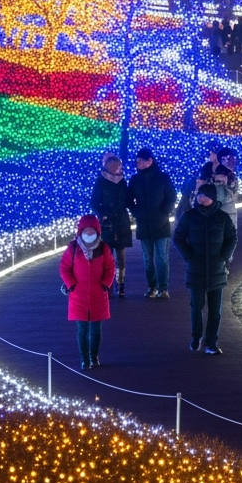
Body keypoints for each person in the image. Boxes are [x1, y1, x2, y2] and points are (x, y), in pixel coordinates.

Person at [174, 183, 237, 355]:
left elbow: (232, 237)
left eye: (205, 196)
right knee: (196, 306)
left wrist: (224, 256)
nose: (201, 199)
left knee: (215, 310)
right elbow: (178, 237)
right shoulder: (189, 216)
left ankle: (211, 342)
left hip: (217, 268)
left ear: (213, 199)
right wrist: (188, 255)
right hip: (196, 268)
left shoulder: (222, 218)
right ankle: (196, 337)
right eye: (200, 195)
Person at [58, 214, 116, 369]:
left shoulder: (104, 248)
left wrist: (105, 284)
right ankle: (84, 359)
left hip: (98, 295)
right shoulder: (73, 247)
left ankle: (94, 356)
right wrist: (71, 285)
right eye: (86, 231)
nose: (89, 234)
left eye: (92, 231)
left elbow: (110, 268)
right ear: (81, 231)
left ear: (97, 231)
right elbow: (64, 268)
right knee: (82, 330)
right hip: (78, 296)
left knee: (96, 330)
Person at [127, 147, 175, 299]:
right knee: (148, 259)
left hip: (160, 223)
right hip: (144, 224)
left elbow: (171, 196)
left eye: (141, 161)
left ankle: (163, 287)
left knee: (161, 258)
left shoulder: (163, 178)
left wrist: (163, 212)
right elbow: (129, 199)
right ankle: (152, 287)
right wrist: (137, 213)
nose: (138, 164)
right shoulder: (135, 180)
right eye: (137, 162)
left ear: (150, 161)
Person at [89, 152, 132, 296]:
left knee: (120, 257)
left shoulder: (122, 181)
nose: (118, 169)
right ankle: (108, 285)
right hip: (108, 222)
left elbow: (128, 200)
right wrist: (104, 213)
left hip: (121, 222)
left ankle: (120, 285)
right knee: (107, 257)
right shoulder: (100, 181)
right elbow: (94, 203)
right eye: (115, 166)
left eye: (119, 166)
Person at [197, 147, 239, 228]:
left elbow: (231, 196)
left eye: (212, 152)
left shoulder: (228, 174)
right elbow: (196, 198)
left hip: (225, 219)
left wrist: (223, 184)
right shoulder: (206, 170)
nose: (209, 155)